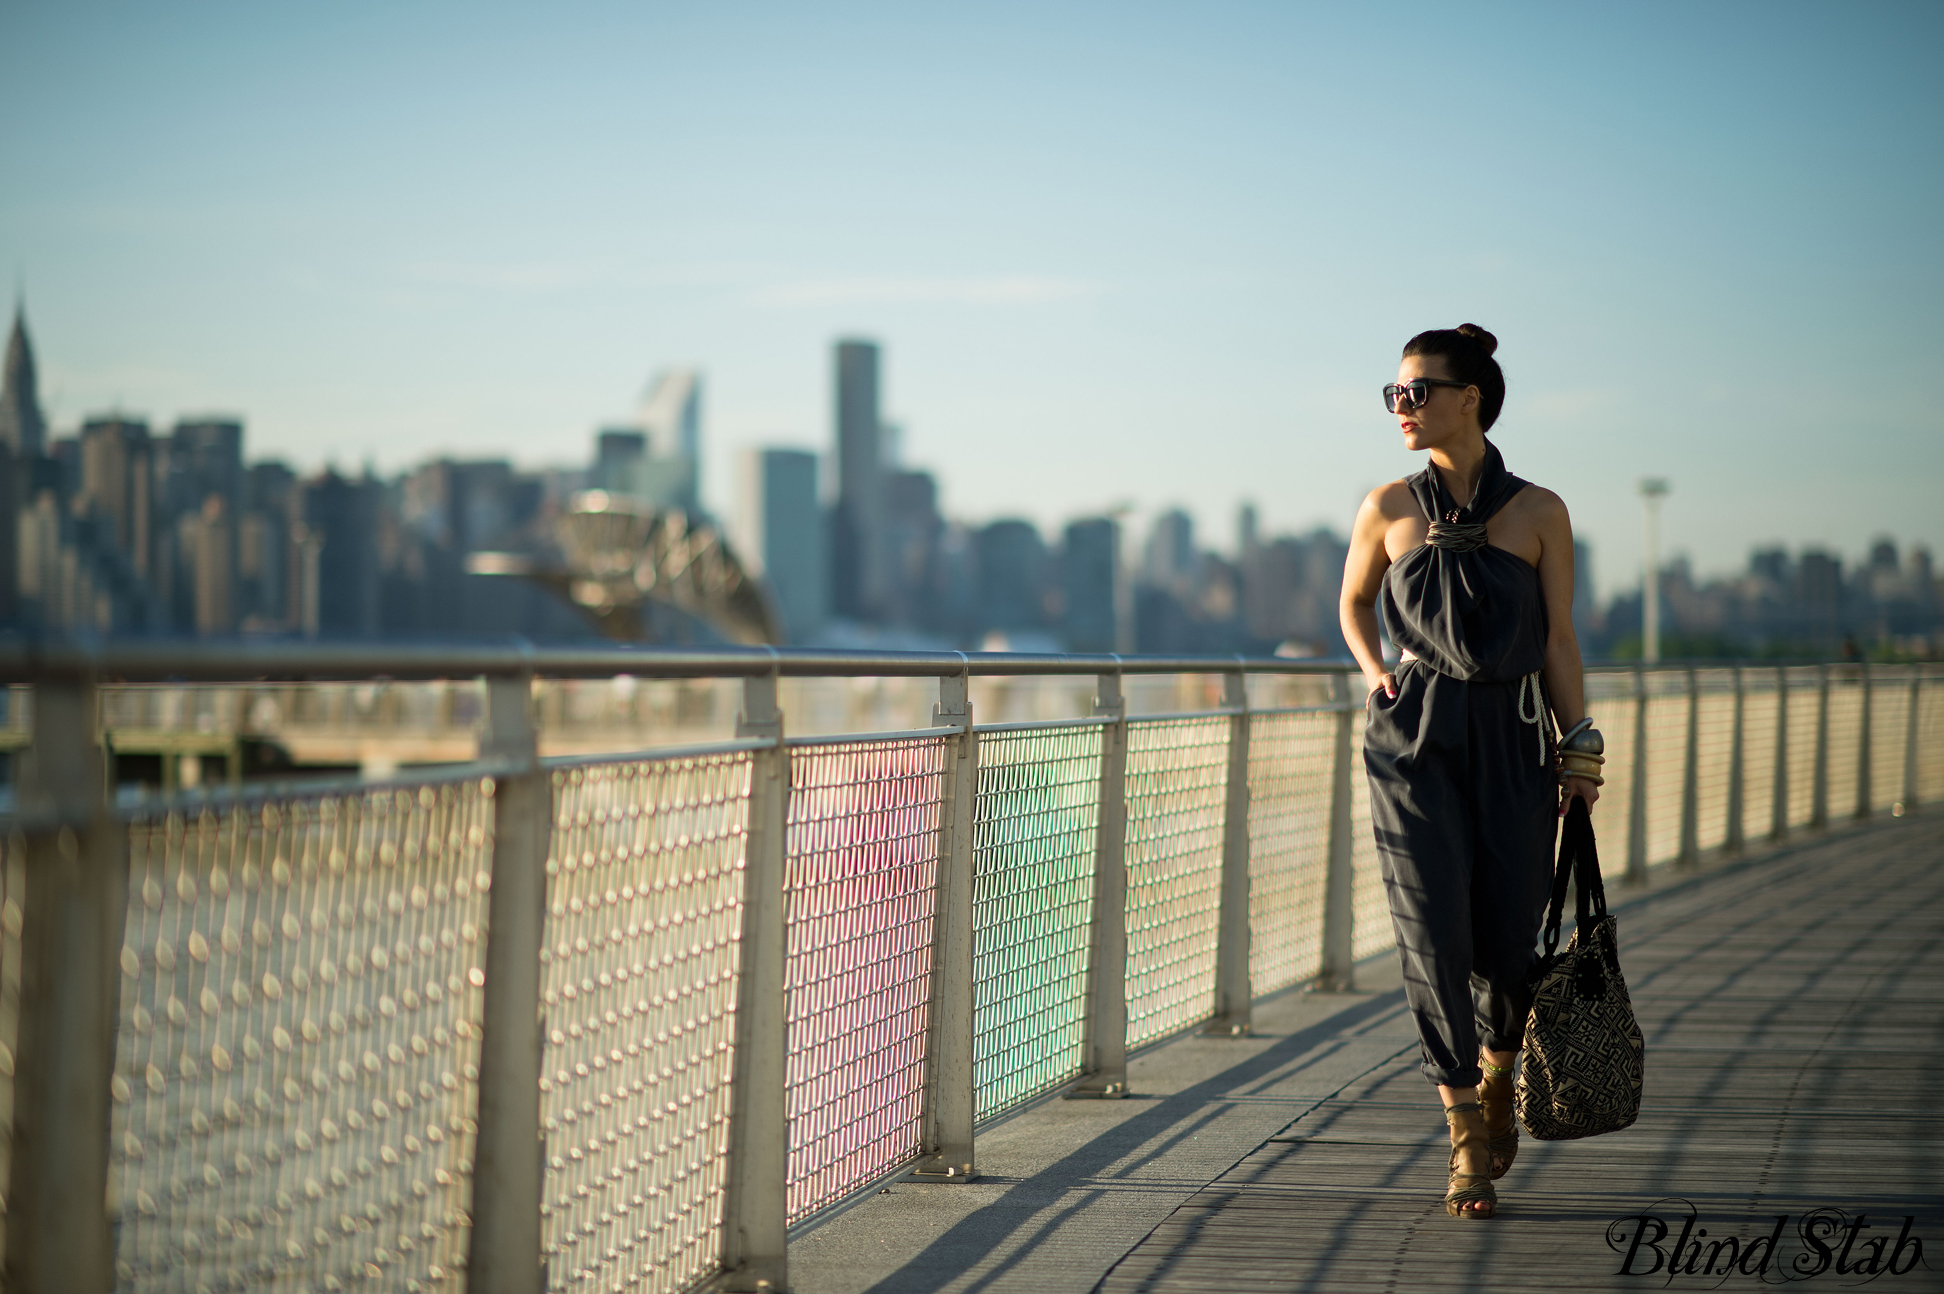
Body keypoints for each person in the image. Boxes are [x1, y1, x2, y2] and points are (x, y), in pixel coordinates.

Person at [1338, 323, 1602, 1219]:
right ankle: (1462, 1140)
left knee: (1506, 942)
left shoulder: (1539, 512)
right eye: (1395, 393)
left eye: (1417, 391)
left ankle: (1498, 1075)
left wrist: (1582, 743)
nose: (1400, 406)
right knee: (1429, 932)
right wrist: (1378, 675)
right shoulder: (1386, 507)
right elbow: (1353, 602)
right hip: (1412, 742)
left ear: (1470, 399)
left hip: (1515, 740)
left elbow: (1559, 638)